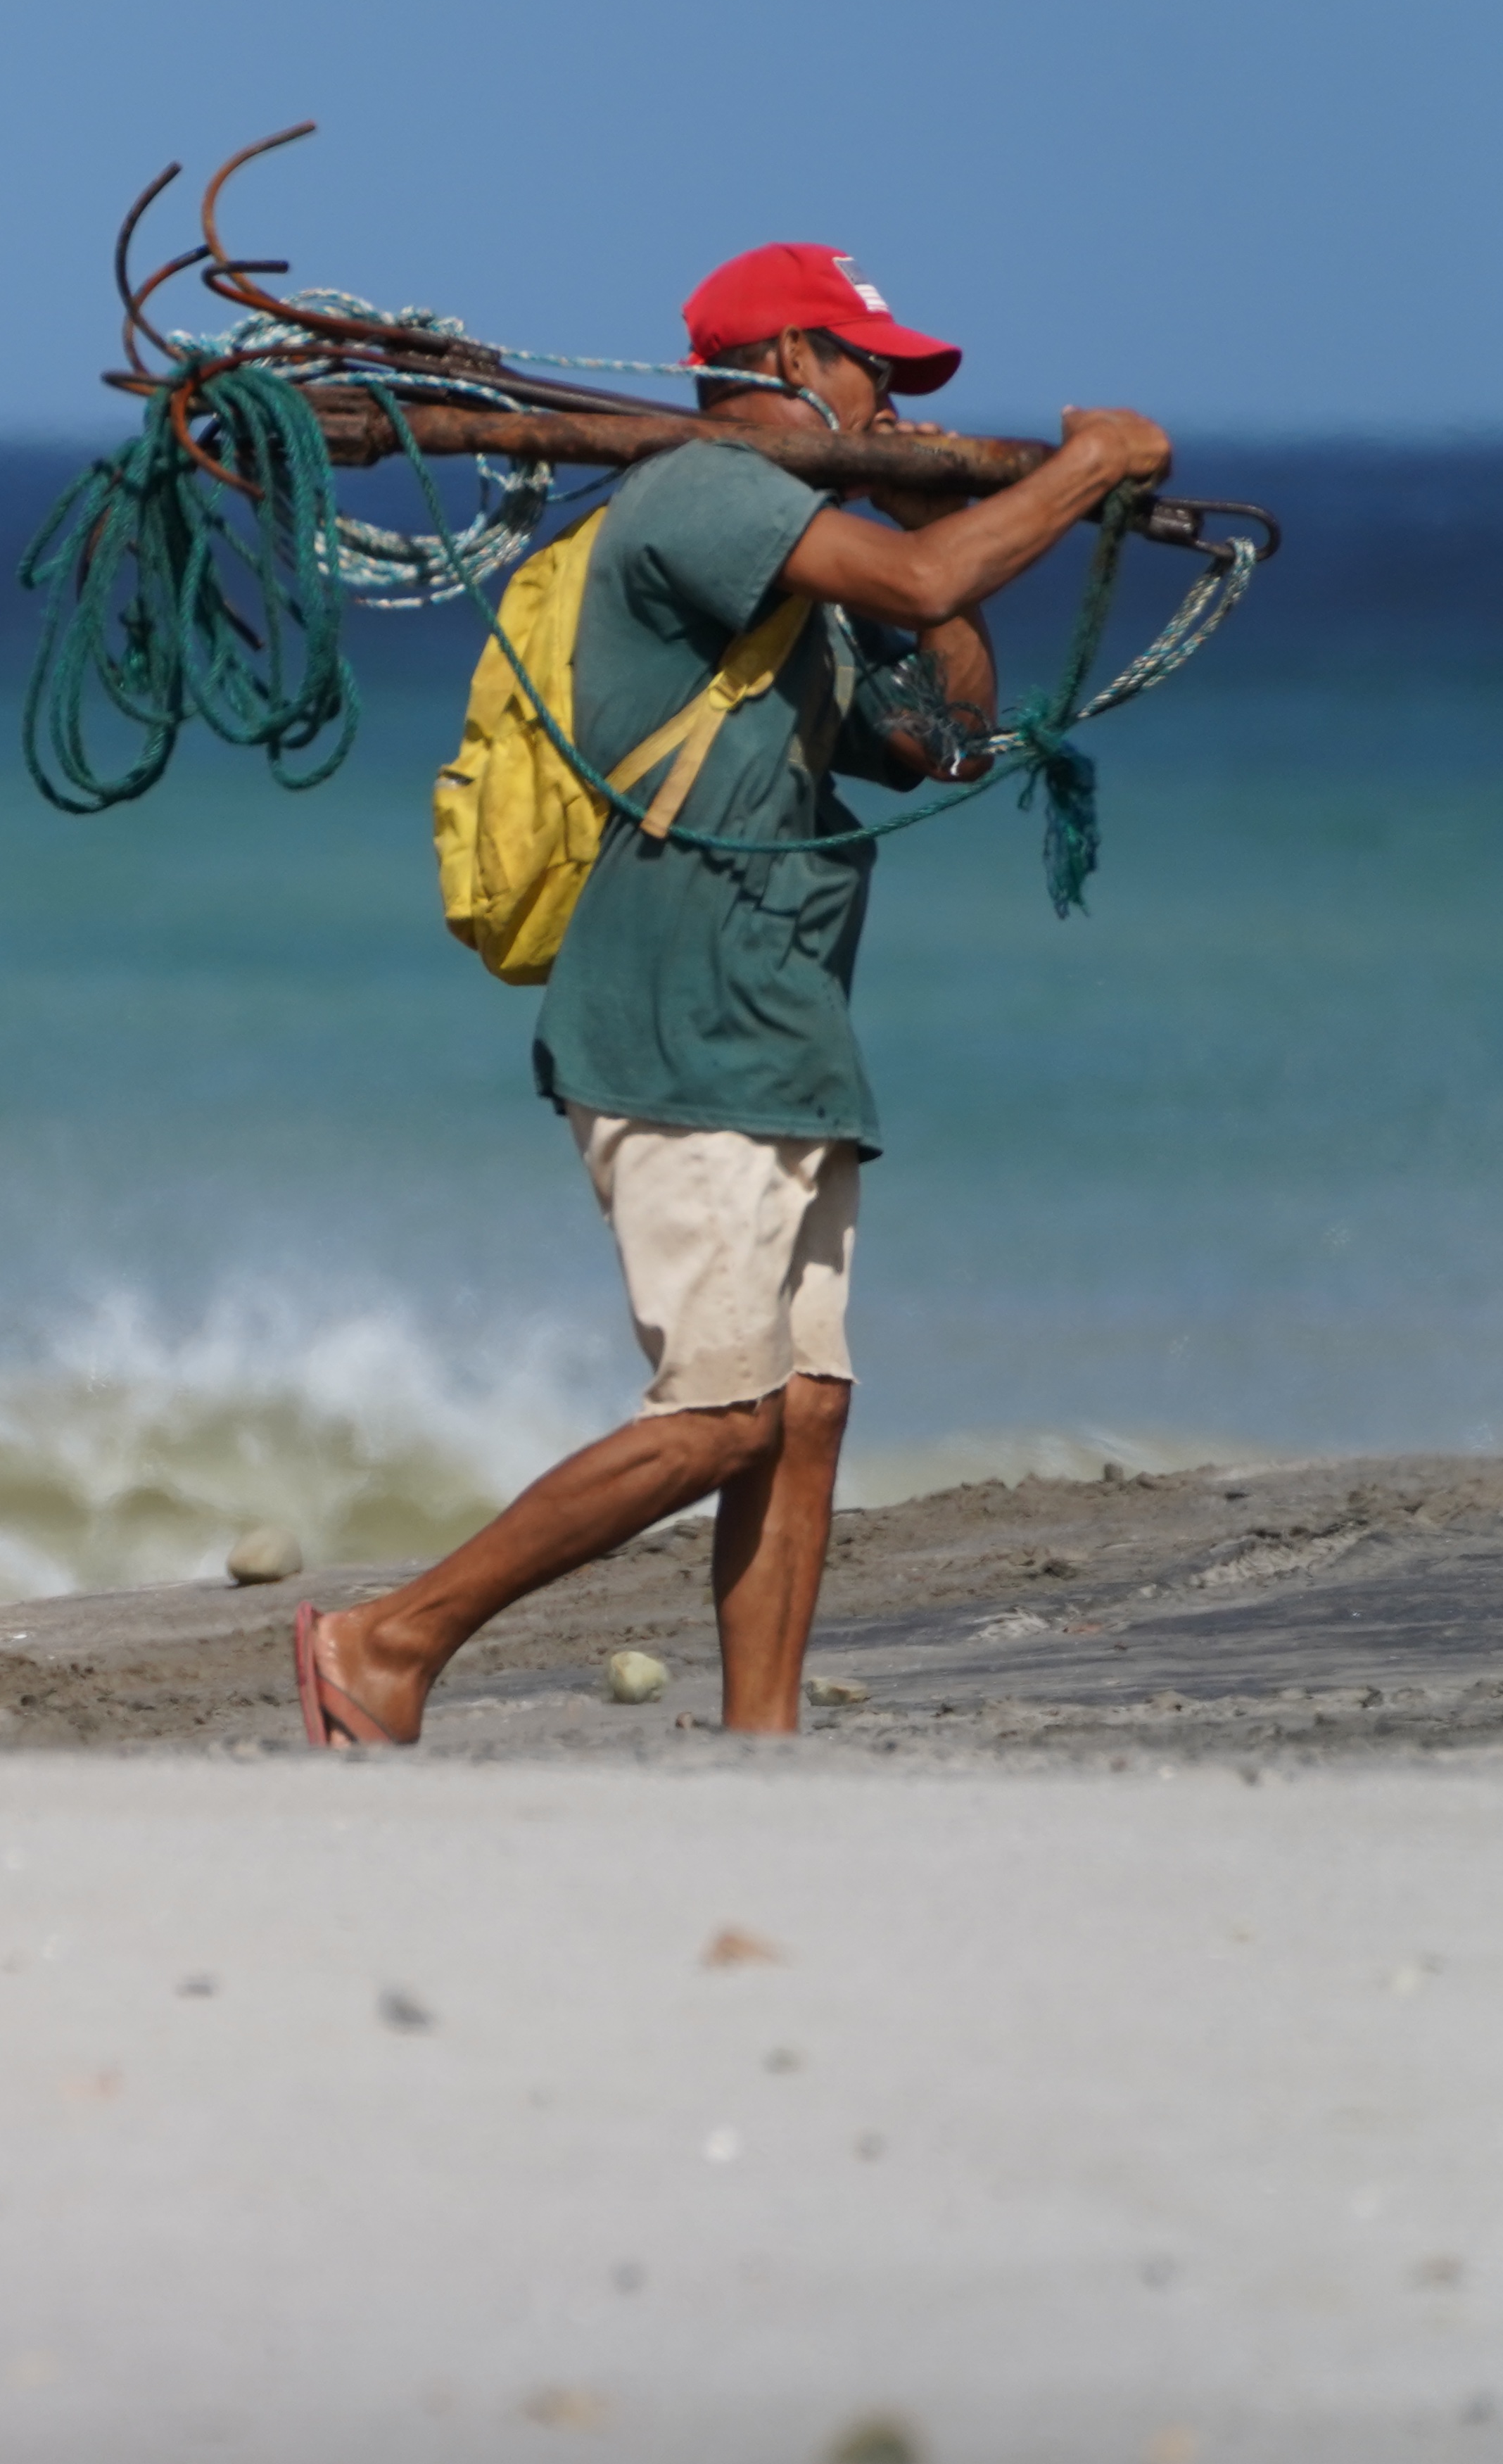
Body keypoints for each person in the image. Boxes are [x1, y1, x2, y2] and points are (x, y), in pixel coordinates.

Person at [293, 245, 1173, 1745]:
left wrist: (917, 505)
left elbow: (944, 735)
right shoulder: (704, 497)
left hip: (785, 1024)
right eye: (870, 365)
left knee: (806, 1406)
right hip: (673, 1021)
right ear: (784, 369)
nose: (890, 392)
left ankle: (764, 1748)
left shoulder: (808, 561)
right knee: (718, 1412)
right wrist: (1082, 469)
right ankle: (386, 1639)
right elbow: (922, 580)